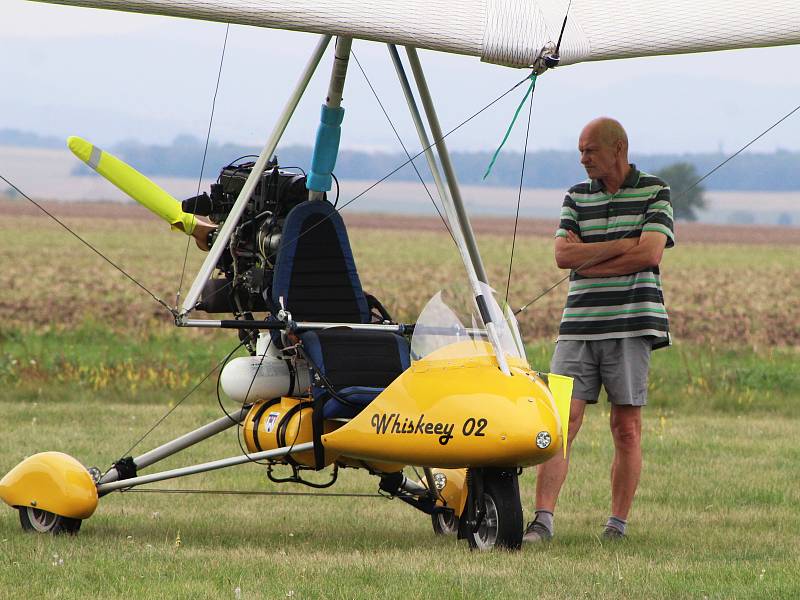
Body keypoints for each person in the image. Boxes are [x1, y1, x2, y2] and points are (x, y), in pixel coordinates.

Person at [524, 117, 674, 542]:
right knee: (560, 423)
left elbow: (649, 253)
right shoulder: (575, 196)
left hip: (631, 325)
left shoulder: (655, 190)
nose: (583, 158)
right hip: (577, 326)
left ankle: (617, 524)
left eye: (590, 149)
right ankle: (542, 520)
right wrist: (621, 246)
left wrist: (594, 258)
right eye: (581, 150)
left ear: (618, 148)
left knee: (625, 427)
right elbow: (561, 256)